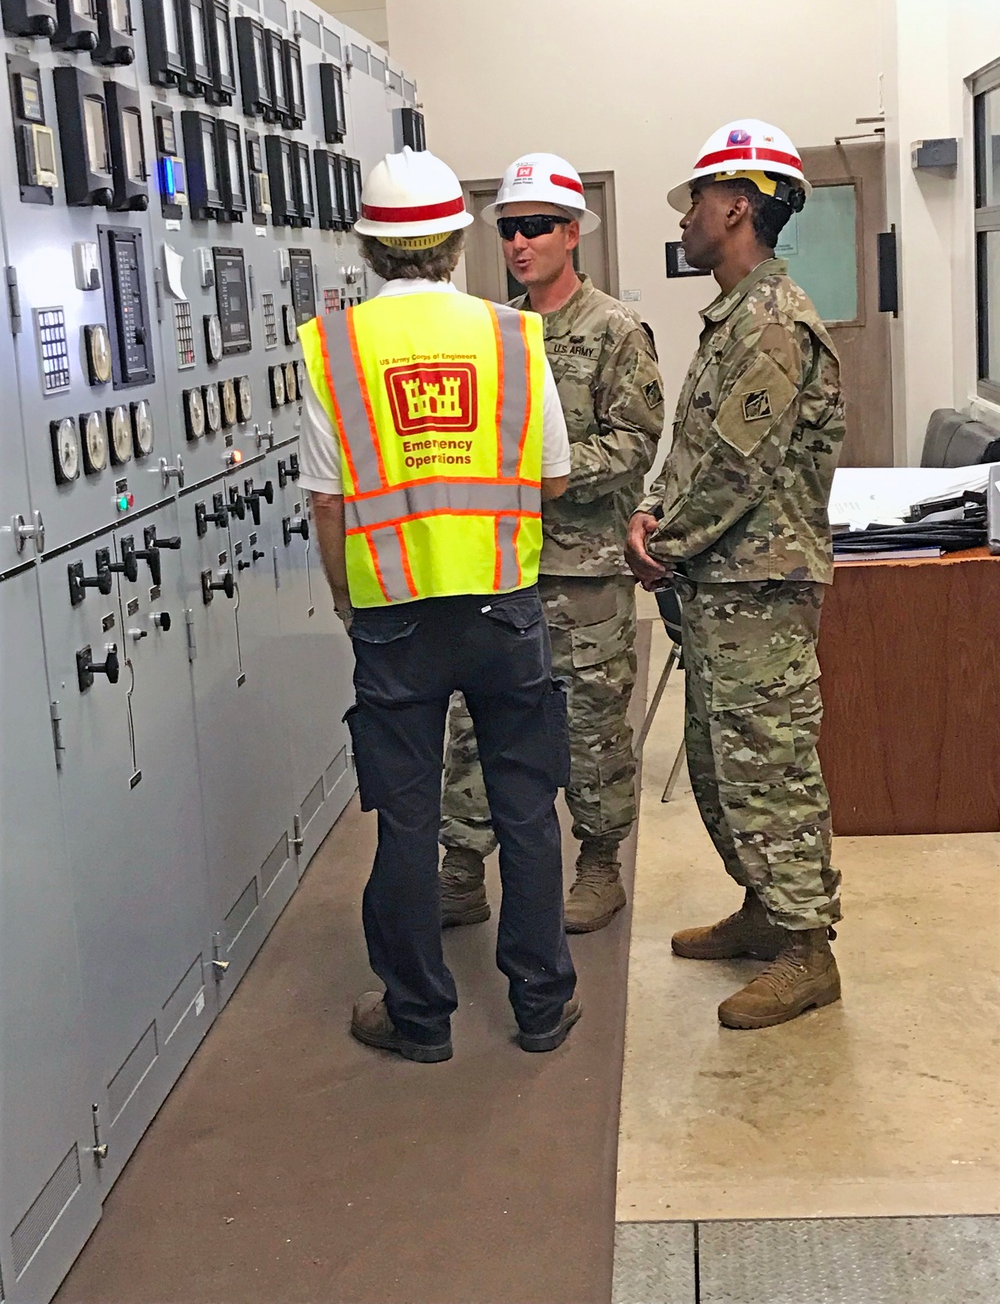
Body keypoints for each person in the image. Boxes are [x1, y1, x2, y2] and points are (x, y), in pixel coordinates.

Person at [297, 147, 581, 1061]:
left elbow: (329, 503)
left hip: (395, 618)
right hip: (505, 606)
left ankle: (419, 1017)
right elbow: (556, 473)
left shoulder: (334, 345)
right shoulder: (510, 336)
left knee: (409, 822)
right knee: (529, 810)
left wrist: (351, 603)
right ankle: (540, 1007)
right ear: (458, 240)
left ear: (371, 246)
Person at [625, 119, 845, 1030]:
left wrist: (664, 540)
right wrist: (653, 514)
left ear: (738, 206)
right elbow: (695, 447)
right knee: (723, 765)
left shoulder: (775, 324)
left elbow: (736, 469)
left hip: (759, 590)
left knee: (773, 767)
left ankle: (807, 947)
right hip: (721, 588)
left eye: (696, 203)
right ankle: (764, 909)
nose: (685, 219)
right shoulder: (733, 316)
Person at [440, 153, 665, 934]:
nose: (520, 242)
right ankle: (462, 868)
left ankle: (600, 864)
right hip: (500, 565)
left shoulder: (615, 331)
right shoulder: (495, 331)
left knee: (592, 722)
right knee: (476, 720)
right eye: (509, 228)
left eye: (537, 226)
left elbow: (635, 443)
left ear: (573, 233)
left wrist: (552, 479)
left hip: (584, 569)